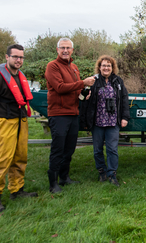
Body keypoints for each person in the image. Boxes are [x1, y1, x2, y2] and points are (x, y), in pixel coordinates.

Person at [0, 44, 38, 212]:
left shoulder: (20, 76)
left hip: (20, 121)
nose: (18, 60)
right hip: (4, 121)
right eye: (15, 57)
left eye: (21, 57)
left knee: (20, 157)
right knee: (2, 160)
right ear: (7, 57)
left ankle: (16, 189)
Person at [44, 38, 96, 193]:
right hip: (59, 114)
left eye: (68, 48)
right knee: (58, 149)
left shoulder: (74, 67)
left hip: (73, 113)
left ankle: (64, 177)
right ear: (57, 49)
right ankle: (53, 183)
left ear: (72, 50)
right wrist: (83, 83)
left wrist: (83, 93)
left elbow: (75, 89)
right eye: (62, 48)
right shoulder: (52, 66)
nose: (65, 50)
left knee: (69, 149)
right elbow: (59, 88)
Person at [80, 55, 130, 186]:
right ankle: (101, 171)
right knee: (97, 149)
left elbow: (124, 99)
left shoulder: (118, 81)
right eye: (104, 65)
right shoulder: (93, 80)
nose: (106, 68)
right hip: (97, 121)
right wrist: (85, 98)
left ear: (112, 68)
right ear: (99, 67)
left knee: (112, 149)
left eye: (109, 65)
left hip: (113, 121)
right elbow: (82, 98)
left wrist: (125, 117)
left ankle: (112, 173)